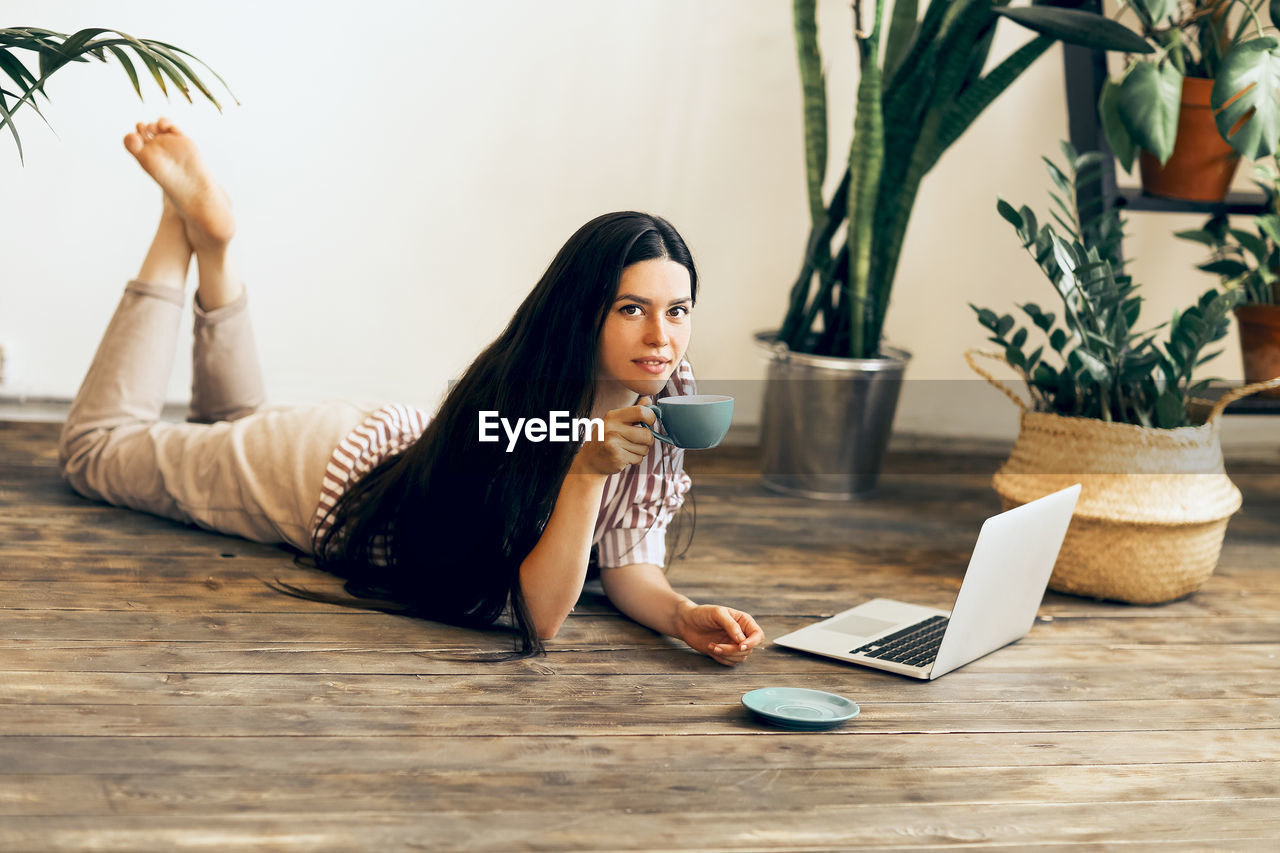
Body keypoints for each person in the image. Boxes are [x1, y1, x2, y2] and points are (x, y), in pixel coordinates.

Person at [57, 119, 765, 664]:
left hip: (381, 443)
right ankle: (176, 229)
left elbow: (628, 556)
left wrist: (679, 614)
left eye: (678, 311)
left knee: (229, 424)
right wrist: (583, 469)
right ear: (584, 315)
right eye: (632, 308)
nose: (662, 337)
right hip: (321, 481)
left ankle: (214, 247)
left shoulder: (665, 397)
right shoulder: (522, 404)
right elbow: (541, 619)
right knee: (95, 451)